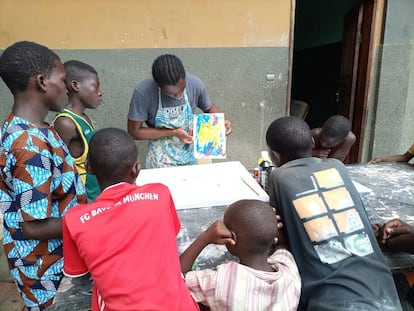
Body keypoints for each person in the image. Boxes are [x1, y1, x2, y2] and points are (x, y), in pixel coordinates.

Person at [266, 116, 402, 310]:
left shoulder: (280, 176)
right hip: (383, 292)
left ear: (276, 156)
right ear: (312, 142)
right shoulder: (337, 166)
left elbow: (278, 229)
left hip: (331, 300)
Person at [63, 127, 199, 311]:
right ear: (136, 169)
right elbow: (167, 234)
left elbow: (80, 272)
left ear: (88, 168)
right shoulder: (159, 194)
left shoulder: (75, 220)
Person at [0, 41, 86, 310]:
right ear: (41, 82)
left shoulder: (38, 129)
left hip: (55, 259)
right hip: (45, 267)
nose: (67, 85)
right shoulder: (28, 146)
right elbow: (33, 226)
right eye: (62, 78)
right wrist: (94, 218)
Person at [180, 199, 301, 311]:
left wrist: (205, 237)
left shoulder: (220, 282)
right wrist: (270, 223)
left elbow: (178, 278)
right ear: (273, 239)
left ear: (231, 240)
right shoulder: (290, 274)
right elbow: (282, 245)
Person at [127, 54, 232, 168]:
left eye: (182, 89)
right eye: (172, 94)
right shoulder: (143, 93)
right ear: (159, 86)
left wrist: (221, 122)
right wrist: (173, 132)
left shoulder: (195, 84)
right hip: (161, 157)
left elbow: (209, 108)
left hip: (189, 153)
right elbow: (134, 132)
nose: (179, 95)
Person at [53, 60, 102, 201]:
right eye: (95, 87)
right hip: (82, 197)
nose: (99, 93)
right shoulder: (65, 123)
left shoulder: (83, 117)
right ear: (75, 86)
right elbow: (58, 167)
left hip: (94, 192)